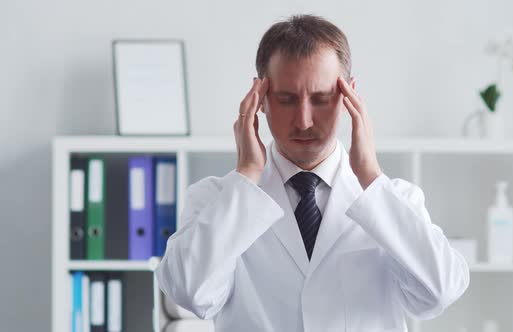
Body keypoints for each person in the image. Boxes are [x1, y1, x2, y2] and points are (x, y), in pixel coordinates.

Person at [156, 14, 469, 332]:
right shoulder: (217, 199)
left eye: (321, 99)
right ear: (260, 99)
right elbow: (190, 292)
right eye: (287, 99)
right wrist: (247, 174)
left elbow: (439, 293)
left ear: (349, 97)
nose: (304, 120)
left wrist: (371, 178)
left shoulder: (395, 199)